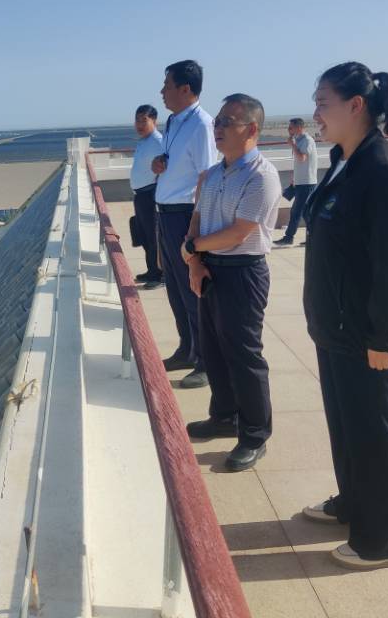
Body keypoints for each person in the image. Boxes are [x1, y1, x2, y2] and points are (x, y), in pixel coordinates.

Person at [301, 61, 388, 570]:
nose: (316, 114)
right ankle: (353, 504)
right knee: (349, 428)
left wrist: (383, 338)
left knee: (378, 435)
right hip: (337, 328)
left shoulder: (382, 168)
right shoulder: (343, 161)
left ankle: (385, 542)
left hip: (370, 335)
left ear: (355, 106)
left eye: (322, 103)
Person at [181, 94, 281, 471]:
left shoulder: (261, 176)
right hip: (210, 268)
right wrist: (195, 261)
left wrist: (192, 248)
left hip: (243, 272)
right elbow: (198, 218)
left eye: (227, 122)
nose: (217, 127)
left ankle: (255, 435)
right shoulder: (212, 174)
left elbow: (239, 233)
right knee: (213, 349)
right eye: (217, 121)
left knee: (243, 354)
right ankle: (224, 416)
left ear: (251, 129)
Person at [151, 60, 218, 388]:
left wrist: (196, 227)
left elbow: (207, 175)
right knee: (175, 289)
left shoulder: (202, 124)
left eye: (167, 85)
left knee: (193, 292)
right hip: (165, 212)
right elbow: (175, 162)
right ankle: (187, 349)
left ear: (185, 89)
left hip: (184, 215)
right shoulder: (174, 122)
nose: (162, 92)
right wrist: (158, 163)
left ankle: (206, 362)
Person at [130, 105, 164, 288]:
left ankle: (159, 275)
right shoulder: (144, 142)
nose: (139, 124)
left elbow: (167, 167)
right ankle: (151, 270)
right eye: (137, 120)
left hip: (152, 194)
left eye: (144, 120)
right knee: (144, 235)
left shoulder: (158, 141)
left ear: (154, 121)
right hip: (141, 195)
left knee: (154, 236)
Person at [273, 118, 317, 246]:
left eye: (290, 128)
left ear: (299, 127)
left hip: (307, 182)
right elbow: (298, 162)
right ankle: (312, 237)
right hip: (300, 182)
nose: (288, 130)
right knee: (304, 211)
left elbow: (302, 158)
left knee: (298, 211)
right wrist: (294, 177)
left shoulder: (307, 140)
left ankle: (290, 238)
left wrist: (292, 145)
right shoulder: (298, 140)